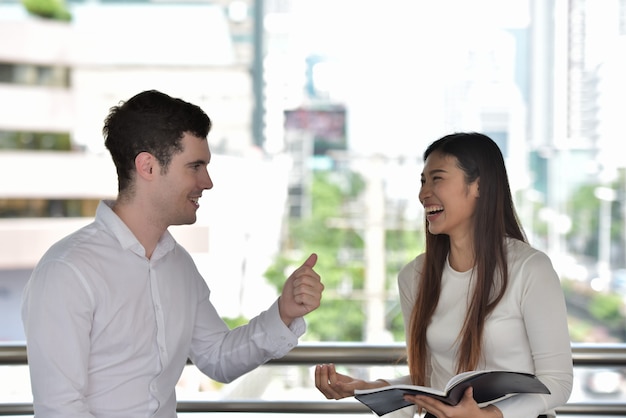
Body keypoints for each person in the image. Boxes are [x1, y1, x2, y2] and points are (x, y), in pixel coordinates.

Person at [21, 89, 324, 418]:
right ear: (148, 167)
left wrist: (283, 311)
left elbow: (218, 356)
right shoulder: (68, 270)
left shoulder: (178, 264)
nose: (207, 182)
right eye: (195, 166)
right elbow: (60, 410)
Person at [315, 132, 572, 418]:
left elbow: (557, 383)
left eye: (437, 178)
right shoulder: (415, 276)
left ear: (479, 185)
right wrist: (370, 388)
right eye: (423, 181)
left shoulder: (530, 269)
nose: (424, 193)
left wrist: (490, 416)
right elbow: (428, 382)